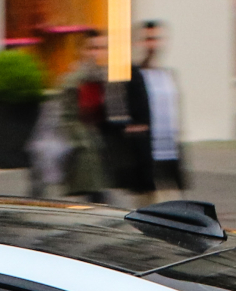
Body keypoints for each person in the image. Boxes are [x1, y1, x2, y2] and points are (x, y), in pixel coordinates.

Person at [118, 19, 187, 203]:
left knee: (174, 206)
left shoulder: (168, 75)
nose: (152, 44)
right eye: (147, 39)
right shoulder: (133, 76)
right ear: (138, 42)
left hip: (169, 154)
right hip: (144, 156)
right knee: (147, 209)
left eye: (156, 38)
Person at [49, 32, 112, 202]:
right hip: (83, 151)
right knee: (89, 198)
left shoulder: (102, 77)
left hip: (100, 149)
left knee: (98, 198)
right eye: (92, 48)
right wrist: (80, 143)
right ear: (82, 51)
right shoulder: (74, 80)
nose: (96, 53)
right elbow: (66, 116)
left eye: (101, 48)